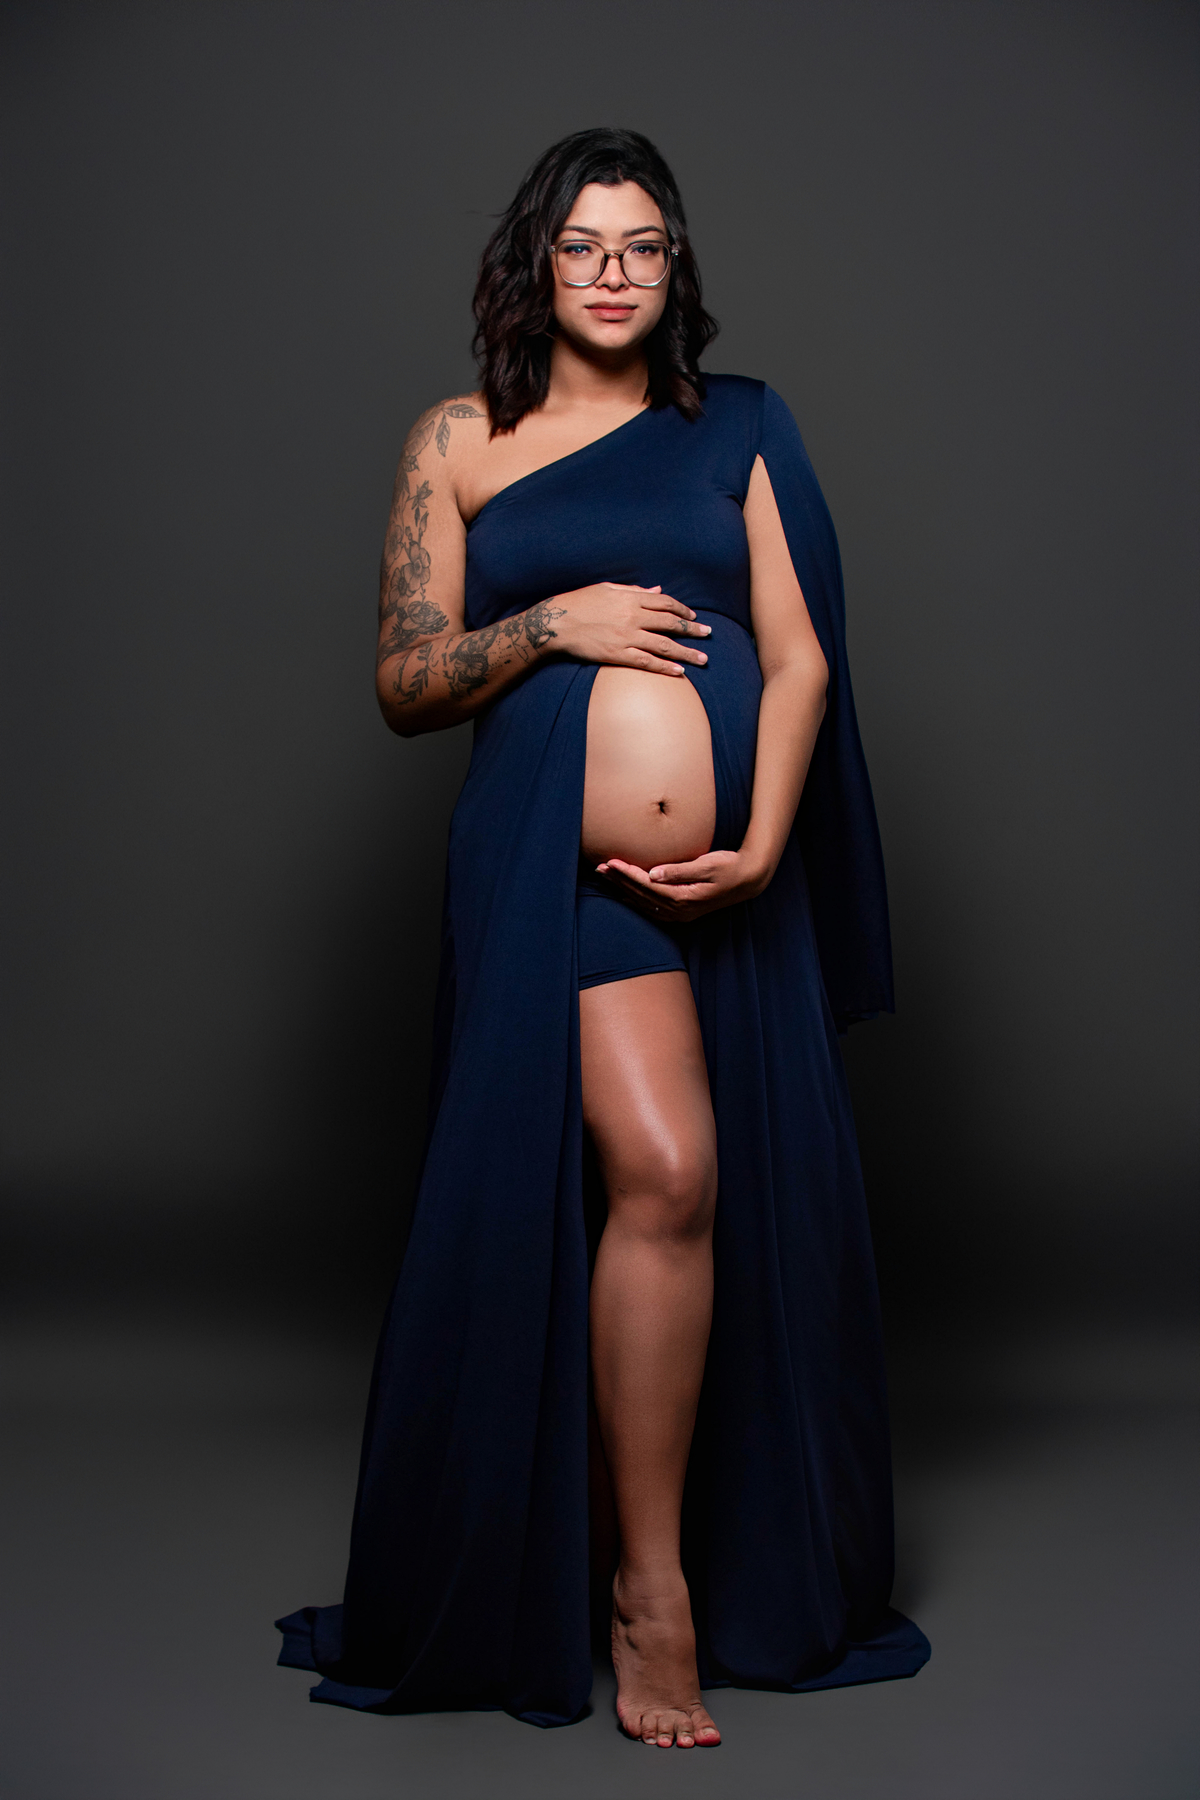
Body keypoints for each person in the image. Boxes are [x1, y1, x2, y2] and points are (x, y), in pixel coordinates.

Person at [276, 126, 929, 1749]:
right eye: (584, 246)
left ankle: (685, 1551)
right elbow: (405, 682)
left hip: (735, 884)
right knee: (673, 1171)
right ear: (539, 264)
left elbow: (801, 658)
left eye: (643, 245)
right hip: (555, 886)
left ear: (675, 264)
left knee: (718, 1204)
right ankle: (652, 1593)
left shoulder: (744, 427)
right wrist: (551, 624)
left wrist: (763, 841)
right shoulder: (461, 441)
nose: (615, 273)